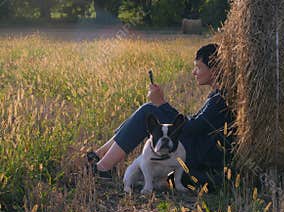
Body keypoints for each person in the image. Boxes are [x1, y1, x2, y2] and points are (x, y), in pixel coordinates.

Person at [87, 43, 235, 189]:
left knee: (149, 110)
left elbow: (192, 129)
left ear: (214, 70)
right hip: (196, 148)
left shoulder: (221, 100)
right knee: (150, 108)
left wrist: (162, 104)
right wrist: (162, 106)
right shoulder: (218, 96)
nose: (194, 72)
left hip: (197, 156)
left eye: (198, 67)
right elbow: (197, 125)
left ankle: (102, 168)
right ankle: (99, 156)